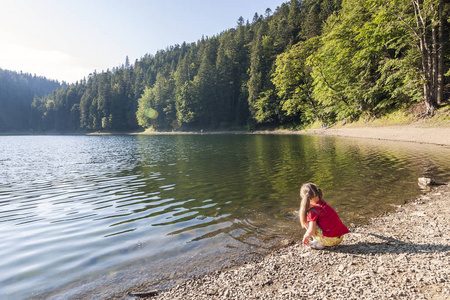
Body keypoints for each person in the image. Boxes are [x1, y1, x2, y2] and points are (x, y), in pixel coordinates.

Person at [299, 183, 349, 249]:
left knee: (306, 221)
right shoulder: (323, 204)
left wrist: (305, 236)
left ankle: (319, 243)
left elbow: (312, 229)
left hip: (330, 240)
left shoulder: (312, 211)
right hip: (339, 237)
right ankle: (320, 241)